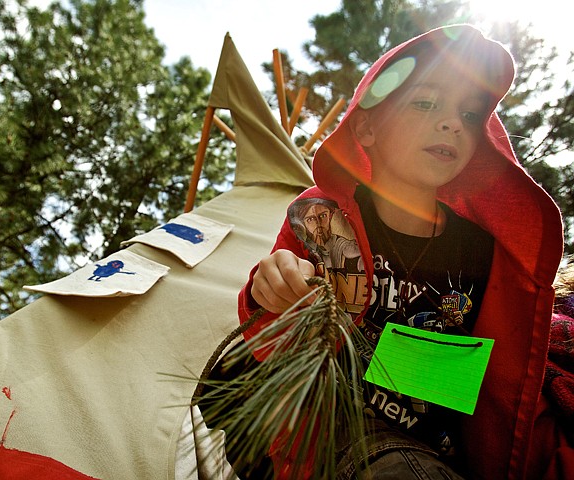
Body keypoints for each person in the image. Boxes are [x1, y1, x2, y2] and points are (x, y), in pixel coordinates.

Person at [237, 25, 567, 479]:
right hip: (338, 437)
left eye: (470, 115)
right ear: (367, 126)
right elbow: (269, 341)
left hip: (443, 449)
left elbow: (486, 380)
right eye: (426, 103)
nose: (452, 122)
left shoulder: (481, 251)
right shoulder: (319, 221)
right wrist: (269, 289)